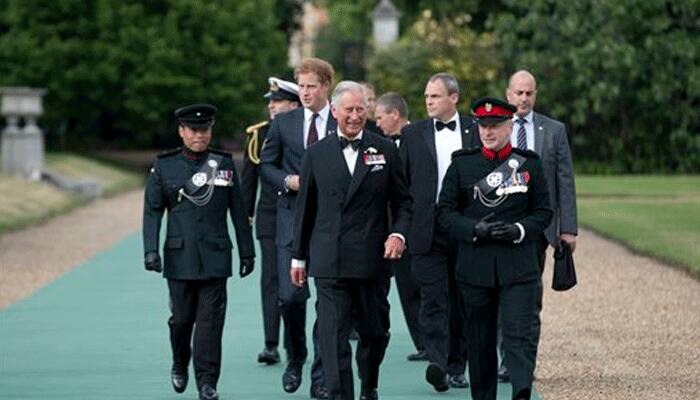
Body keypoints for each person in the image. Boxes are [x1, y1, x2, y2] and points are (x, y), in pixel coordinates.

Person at [290, 81, 411, 400]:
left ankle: (369, 383)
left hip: (373, 260)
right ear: (334, 112)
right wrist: (298, 257)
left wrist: (397, 234)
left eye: (360, 109)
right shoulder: (316, 154)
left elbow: (403, 202)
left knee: (374, 332)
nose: (355, 116)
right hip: (330, 259)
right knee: (332, 336)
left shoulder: (384, 149)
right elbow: (305, 209)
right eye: (348, 110)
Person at [436, 97, 552, 400]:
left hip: (519, 265)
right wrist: (473, 229)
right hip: (475, 266)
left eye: (495, 125)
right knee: (480, 341)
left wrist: (519, 230)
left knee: (518, 336)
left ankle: (521, 391)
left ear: (509, 126)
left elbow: (543, 212)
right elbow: (445, 212)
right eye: (483, 125)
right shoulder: (462, 164)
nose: (488, 131)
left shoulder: (529, 163)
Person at [143, 104, 256, 400]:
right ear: (181, 132)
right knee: (181, 321)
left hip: (216, 256)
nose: (199, 135)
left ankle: (208, 383)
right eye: (193, 130)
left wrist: (247, 251)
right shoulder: (164, 165)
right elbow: (153, 211)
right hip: (180, 258)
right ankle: (180, 361)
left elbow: (238, 209)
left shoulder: (224, 164)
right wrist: (150, 250)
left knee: (210, 325)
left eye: (204, 130)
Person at [260, 57, 336, 399]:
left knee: (330, 301)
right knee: (290, 297)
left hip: (331, 223)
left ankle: (321, 372)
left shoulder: (341, 120)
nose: (305, 92)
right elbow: (267, 166)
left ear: (325, 87)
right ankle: (296, 357)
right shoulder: (284, 123)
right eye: (301, 86)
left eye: (311, 86)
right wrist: (287, 180)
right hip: (291, 220)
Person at [496, 70, 578, 382]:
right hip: (500, 227)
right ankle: (505, 360)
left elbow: (565, 182)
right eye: (518, 93)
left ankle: (523, 362)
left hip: (538, 229)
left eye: (529, 93)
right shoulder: (493, 127)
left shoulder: (554, 131)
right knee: (502, 294)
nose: (524, 98)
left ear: (536, 94)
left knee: (530, 297)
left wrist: (567, 228)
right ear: (508, 94)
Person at [399, 72, 478, 391]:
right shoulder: (413, 134)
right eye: (427, 96)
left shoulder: (475, 130)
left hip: (463, 226)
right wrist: (399, 230)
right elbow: (402, 185)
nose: (428, 101)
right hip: (425, 228)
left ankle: (458, 365)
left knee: (462, 299)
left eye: (435, 96)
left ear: (453, 98)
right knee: (432, 298)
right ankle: (438, 362)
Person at [240, 77, 301, 366]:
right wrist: (246, 218)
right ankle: (271, 343)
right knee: (271, 279)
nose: (272, 107)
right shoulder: (258, 134)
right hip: (270, 215)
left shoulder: (306, 128)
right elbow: (249, 181)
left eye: (278, 102)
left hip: (300, 213)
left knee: (296, 279)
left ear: (294, 104)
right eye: (270, 102)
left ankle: (294, 342)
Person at [374, 92, 426, 361]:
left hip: (418, 224)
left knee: (425, 285)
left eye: (380, 117)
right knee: (405, 288)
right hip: (388, 226)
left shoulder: (421, 139)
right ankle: (422, 343)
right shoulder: (379, 145)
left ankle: (437, 342)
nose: (378, 123)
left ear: (395, 114)